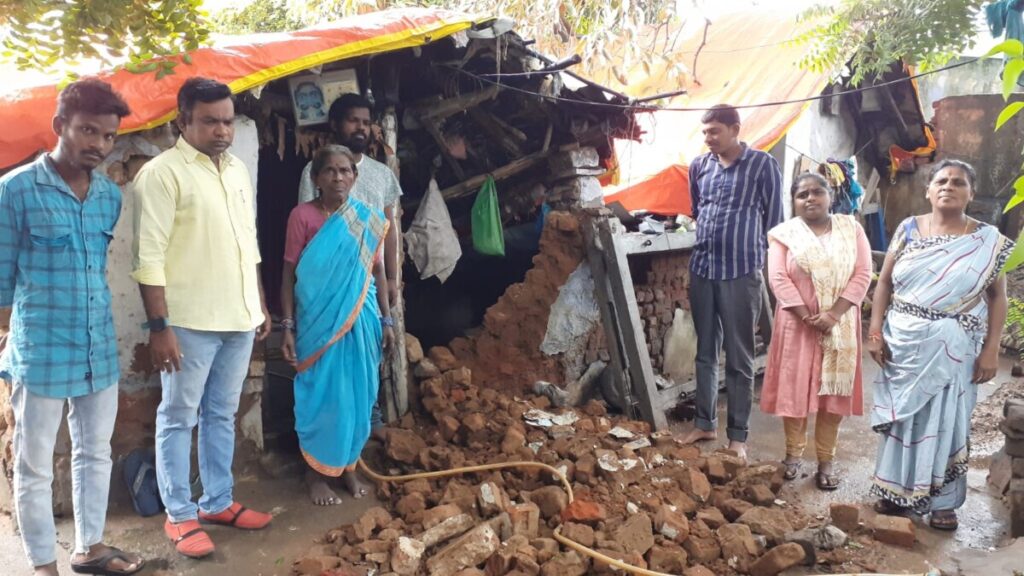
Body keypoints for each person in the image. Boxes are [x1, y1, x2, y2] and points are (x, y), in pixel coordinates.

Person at [0, 80, 144, 575]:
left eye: (108, 137)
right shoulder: (14, 191)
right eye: (87, 131)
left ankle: (90, 547)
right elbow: (0, 285)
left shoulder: (108, 195)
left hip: (97, 347)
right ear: (60, 126)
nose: (98, 146)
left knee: (94, 453)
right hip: (39, 350)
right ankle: (43, 565)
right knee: (35, 465)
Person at [132, 77, 274, 559]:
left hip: (238, 318)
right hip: (188, 323)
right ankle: (179, 514)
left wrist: (258, 303)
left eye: (228, 121)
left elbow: (246, 242)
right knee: (177, 416)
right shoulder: (161, 173)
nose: (222, 131)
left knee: (220, 414)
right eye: (210, 121)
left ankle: (217, 502)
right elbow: (147, 257)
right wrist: (159, 327)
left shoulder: (235, 169)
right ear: (183, 121)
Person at [868, 159, 1012, 531]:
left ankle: (943, 503)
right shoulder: (908, 229)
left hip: (956, 345)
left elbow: (998, 298)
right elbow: (884, 284)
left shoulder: (986, 240)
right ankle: (896, 491)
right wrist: (874, 331)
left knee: (947, 419)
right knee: (905, 417)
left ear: (970, 193)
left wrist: (991, 349)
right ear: (929, 190)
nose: (949, 186)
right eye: (942, 181)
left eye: (958, 182)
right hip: (904, 342)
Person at [280, 145, 394, 506]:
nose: (338, 177)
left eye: (345, 171)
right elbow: (289, 275)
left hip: (362, 321)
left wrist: (387, 319)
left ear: (355, 176)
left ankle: (349, 470)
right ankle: (316, 476)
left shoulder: (367, 219)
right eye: (330, 171)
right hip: (317, 323)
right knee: (322, 395)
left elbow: (377, 271)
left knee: (358, 396)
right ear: (316, 178)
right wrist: (288, 326)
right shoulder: (302, 216)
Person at [681, 104, 784, 460]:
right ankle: (704, 423)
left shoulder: (762, 165)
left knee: (740, 358)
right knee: (705, 352)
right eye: (705, 132)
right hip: (703, 268)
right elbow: (698, 209)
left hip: (741, 272)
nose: (708, 138)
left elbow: (774, 220)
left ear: (735, 129)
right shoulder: (699, 166)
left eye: (715, 132)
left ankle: (738, 437)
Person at [760, 174, 872, 490]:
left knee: (832, 396)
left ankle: (826, 461)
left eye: (817, 192)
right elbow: (778, 278)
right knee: (795, 393)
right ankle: (792, 457)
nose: (810, 198)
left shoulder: (853, 229)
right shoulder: (784, 235)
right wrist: (808, 316)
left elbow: (863, 273)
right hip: (797, 326)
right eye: (802, 194)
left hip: (840, 325)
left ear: (830, 196)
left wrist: (834, 314)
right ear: (794, 202)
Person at [297, 93, 402, 429]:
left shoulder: (382, 175)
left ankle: (365, 425)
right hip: (326, 290)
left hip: (369, 286)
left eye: (365, 121)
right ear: (335, 125)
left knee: (366, 359)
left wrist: (393, 277)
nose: (361, 127)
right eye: (352, 120)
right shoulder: (313, 172)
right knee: (328, 365)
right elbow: (309, 233)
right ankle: (328, 435)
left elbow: (390, 228)